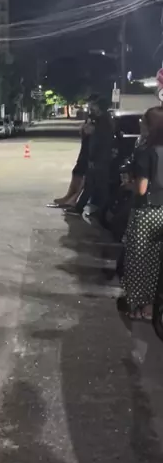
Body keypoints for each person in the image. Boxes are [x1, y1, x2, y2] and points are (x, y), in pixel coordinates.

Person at [121, 106, 163, 321]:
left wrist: (128, 185)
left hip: (146, 212)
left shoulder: (146, 151)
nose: (140, 124)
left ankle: (139, 305)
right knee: (156, 260)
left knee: (138, 259)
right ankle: (151, 306)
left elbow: (141, 188)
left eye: (143, 121)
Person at [65, 95, 113, 221]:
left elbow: (99, 142)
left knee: (98, 186)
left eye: (94, 105)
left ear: (99, 107)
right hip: (98, 158)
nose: (92, 107)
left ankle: (97, 211)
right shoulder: (100, 119)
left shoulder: (103, 121)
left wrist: (93, 158)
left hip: (100, 159)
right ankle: (80, 207)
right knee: (91, 184)